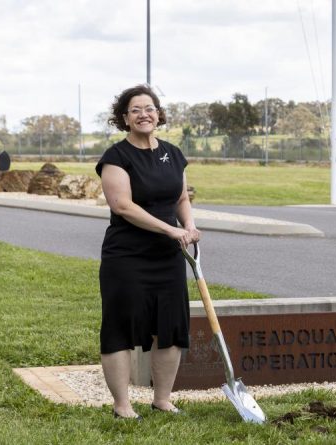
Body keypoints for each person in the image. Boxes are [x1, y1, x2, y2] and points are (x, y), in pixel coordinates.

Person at [96, 84, 200, 419]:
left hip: (168, 257)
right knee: (121, 327)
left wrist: (190, 225)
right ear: (124, 118)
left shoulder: (173, 152)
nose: (145, 114)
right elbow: (122, 206)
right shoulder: (116, 157)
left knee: (171, 327)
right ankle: (122, 405)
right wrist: (172, 229)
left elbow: (181, 198)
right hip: (127, 256)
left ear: (159, 113)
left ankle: (162, 399)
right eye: (136, 110)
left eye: (150, 108)